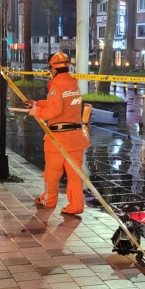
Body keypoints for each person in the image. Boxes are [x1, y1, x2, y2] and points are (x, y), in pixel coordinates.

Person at [28, 52, 89, 215]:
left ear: (53, 68)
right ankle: (76, 205)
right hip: (75, 137)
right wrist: (37, 103)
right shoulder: (73, 85)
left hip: (58, 139)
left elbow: (55, 109)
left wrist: (37, 112)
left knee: (52, 174)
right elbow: (60, 103)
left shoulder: (56, 86)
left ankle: (49, 200)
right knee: (75, 174)